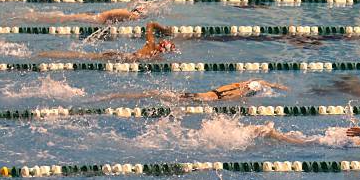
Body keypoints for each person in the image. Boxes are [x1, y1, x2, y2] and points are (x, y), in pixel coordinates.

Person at [37, 22, 175, 61]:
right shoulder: (155, 56)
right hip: (123, 57)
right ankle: (51, 55)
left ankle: (49, 54)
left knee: (85, 56)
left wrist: (163, 29)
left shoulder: (151, 46)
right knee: (86, 57)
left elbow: (150, 24)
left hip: (122, 56)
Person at [259, 115, 360, 146]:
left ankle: (275, 135)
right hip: (346, 141)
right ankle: (273, 134)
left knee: (307, 140)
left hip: (347, 140)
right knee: (304, 142)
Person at [96, 79, 288, 102]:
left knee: (160, 94)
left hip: (206, 92)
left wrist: (276, 85)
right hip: (206, 98)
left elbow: (259, 80)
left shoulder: (237, 85)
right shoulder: (238, 93)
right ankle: (120, 96)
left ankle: (119, 95)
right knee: (168, 98)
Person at [23, 5, 148, 24]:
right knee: (66, 18)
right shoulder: (129, 14)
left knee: (69, 18)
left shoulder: (125, 11)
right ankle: (37, 17)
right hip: (97, 19)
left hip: (97, 16)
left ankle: (39, 17)